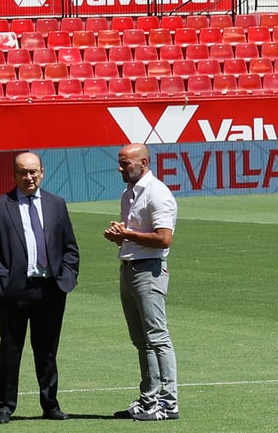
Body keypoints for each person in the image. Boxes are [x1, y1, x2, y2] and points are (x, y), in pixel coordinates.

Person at [0, 152, 80, 425]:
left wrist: (68, 276)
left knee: (47, 351)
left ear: (42, 172)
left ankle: (50, 404)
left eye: (33, 171)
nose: (29, 177)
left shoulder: (56, 204)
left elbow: (70, 247)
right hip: (13, 291)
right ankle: (3, 407)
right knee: (10, 350)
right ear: (14, 175)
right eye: (23, 172)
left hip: (50, 289)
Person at [103, 143, 179, 421]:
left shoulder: (157, 193)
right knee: (141, 341)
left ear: (143, 163)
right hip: (130, 269)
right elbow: (134, 233)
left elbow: (164, 238)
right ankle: (149, 399)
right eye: (120, 162)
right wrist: (120, 235)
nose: (120, 168)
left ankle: (169, 403)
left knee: (158, 338)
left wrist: (129, 234)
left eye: (125, 163)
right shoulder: (129, 194)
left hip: (149, 272)